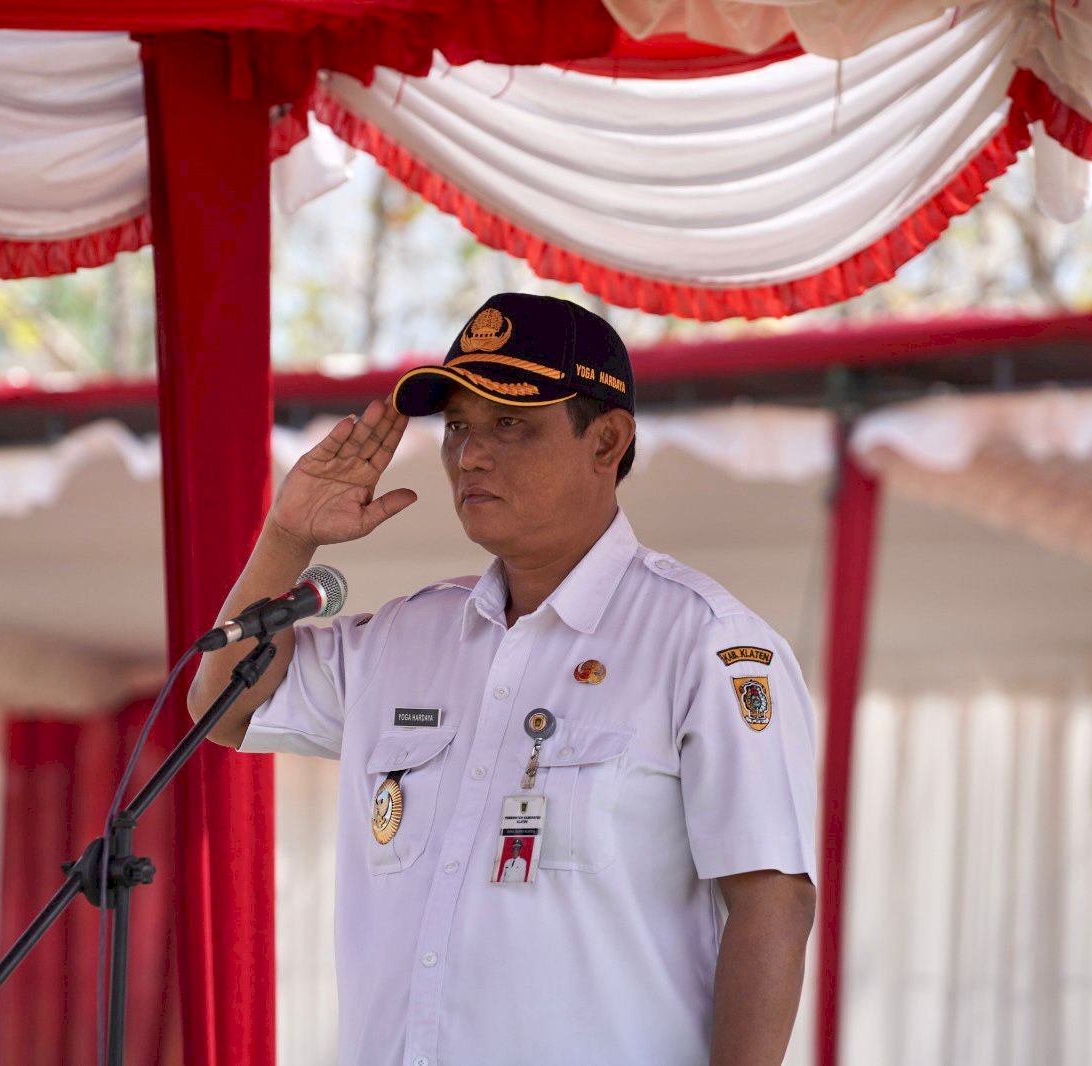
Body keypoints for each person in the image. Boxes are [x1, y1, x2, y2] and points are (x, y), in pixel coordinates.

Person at [189, 292, 817, 1065]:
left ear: (607, 441)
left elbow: (771, 899)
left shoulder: (704, 642)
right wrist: (286, 539)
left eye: (510, 423)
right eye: (457, 427)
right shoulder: (405, 636)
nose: (470, 455)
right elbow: (224, 710)